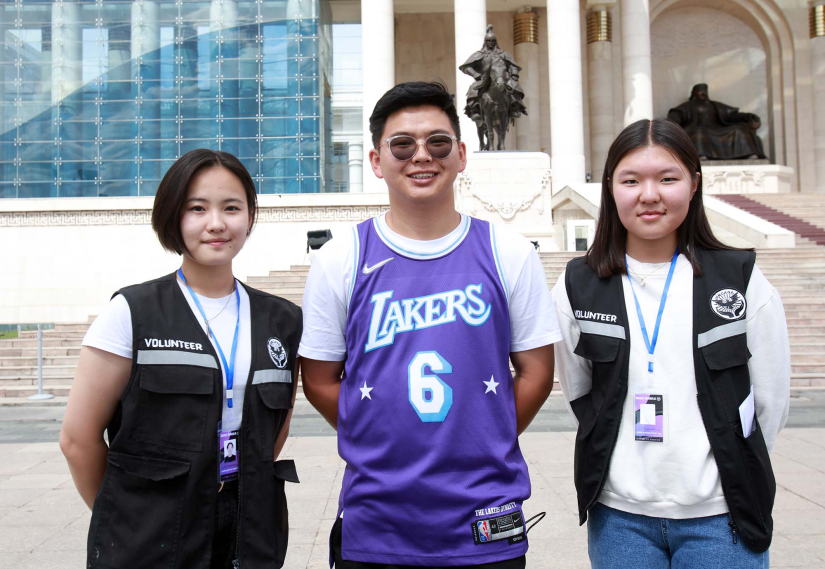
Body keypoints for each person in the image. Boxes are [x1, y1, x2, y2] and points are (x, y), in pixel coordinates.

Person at [299, 81, 560, 568]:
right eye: (402, 145)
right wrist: (380, 438)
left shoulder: (510, 252)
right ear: (377, 161)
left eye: (438, 143)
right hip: (377, 521)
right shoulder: (340, 258)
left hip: (487, 518)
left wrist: (484, 436)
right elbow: (317, 379)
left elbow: (538, 372)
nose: (422, 156)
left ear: (461, 155)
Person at [551, 118, 790, 568]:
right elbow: (579, 394)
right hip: (619, 519)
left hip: (722, 516)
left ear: (694, 184)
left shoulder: (739, 279)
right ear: (610, 187)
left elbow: (769, 402)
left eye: (667, 178)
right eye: (631, 180)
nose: (649, 195)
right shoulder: (577, 285)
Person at [59, 149, 302, 569]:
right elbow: (77, 440)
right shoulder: (132, 312)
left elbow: (274, 430)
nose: (216, 223)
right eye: (197, 208)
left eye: (232, 208)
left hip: (250, 526)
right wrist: (124, 517)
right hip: (152, 532)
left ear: (249, 216)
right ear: (173, 216)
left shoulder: (282, 320)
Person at [667, 83, 766, 160]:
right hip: (698, 129)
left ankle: (749, 154)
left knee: (739, 130)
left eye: (704, 91)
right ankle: (702, 156)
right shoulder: (687, 106)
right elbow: (675, 115)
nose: (703, 93)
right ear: (694, 93)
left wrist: (747, 116)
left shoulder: (714, 105)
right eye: (700, 91)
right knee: (699, 132)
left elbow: (732, 116)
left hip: (717, 128)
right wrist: (673, 121)